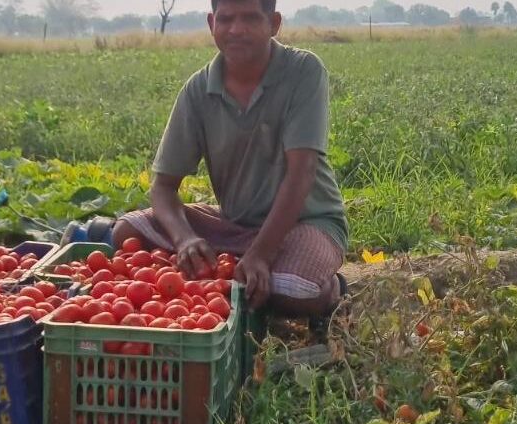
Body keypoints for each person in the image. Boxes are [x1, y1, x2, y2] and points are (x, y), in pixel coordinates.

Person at [112, 0, 348, 319]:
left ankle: (329, 285)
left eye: (250, 18)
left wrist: (262, 254)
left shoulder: (303, 71)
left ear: (274, 23)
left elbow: (301, 173)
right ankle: (242, 262)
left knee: (292, 293)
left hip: (306, 223)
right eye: (226, 19)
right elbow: (164, 187)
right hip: (233, 225)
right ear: (212, 24)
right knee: (126, 231)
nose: (236, 29)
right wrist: (185, 239)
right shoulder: (198, 90)